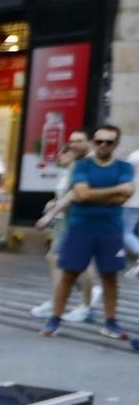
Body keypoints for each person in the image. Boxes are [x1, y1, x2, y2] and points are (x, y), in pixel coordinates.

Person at [43, 124, 133, 341]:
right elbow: (81, 195)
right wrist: (114, 192)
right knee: (68, 274)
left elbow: (127, 194)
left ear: (116, 144)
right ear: (94, 142)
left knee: (110, 277)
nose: (103, 145)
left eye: (109, 142)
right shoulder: (82, 166)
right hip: (80, 228)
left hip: (110, 230)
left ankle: (110, 322)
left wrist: (94, 193)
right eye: (99, 141)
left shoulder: (124, 167)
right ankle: (55, 319)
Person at [32, 131, 96, 324]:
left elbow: (74, 195)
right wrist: (53, 207)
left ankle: (84, 305)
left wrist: (50, 214)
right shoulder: (76, 165)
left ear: (89, 142)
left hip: (83, 220)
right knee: (60, 260)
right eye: (72, 141)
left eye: (80, 141)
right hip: (69, 219)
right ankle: (64, 301)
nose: (74, 145)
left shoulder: (89, 165)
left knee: (77, 263)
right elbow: (67, 194)